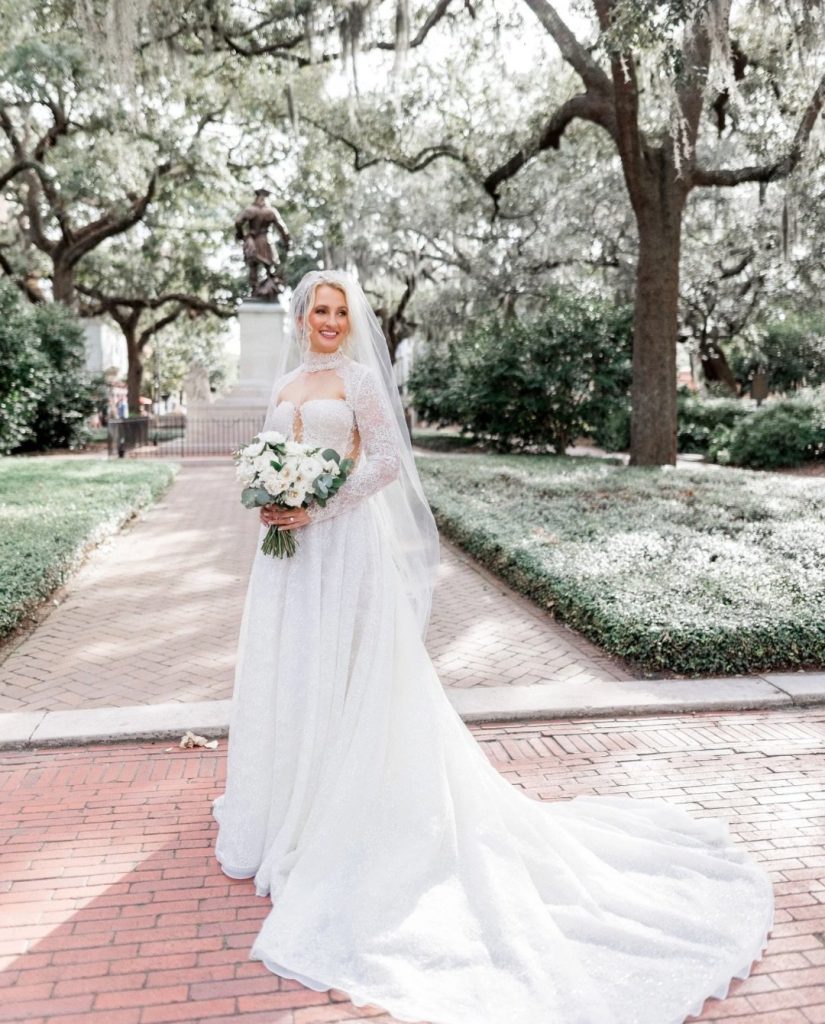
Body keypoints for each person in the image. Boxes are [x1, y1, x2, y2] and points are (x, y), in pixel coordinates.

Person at [212, 269, 773, 1024]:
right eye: (320, 308)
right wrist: (272, 498)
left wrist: (319, 502)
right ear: (303, 313)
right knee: (295, 673)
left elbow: (384, 463)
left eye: (340, 311)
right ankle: (290, 794)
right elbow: (266, 456)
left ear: (352, 321)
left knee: (343, 675)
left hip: (344, 551)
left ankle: (335, 804)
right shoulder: (285, 384)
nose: (328, 320)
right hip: (289, 560)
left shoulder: (358, 383)